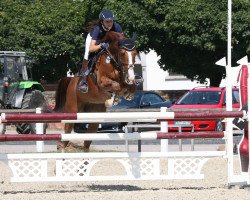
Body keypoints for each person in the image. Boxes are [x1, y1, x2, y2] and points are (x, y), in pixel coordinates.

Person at [78, 9, 124, 93]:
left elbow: (122, 41)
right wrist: (100, 46)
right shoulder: (97, 29)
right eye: (107, 21)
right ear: (102, 22)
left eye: (111, 21)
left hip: (108, 41)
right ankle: (83, 80)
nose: (110, 23)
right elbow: (91, 48)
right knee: (87, 54)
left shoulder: (117, 26)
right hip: (96, 42)